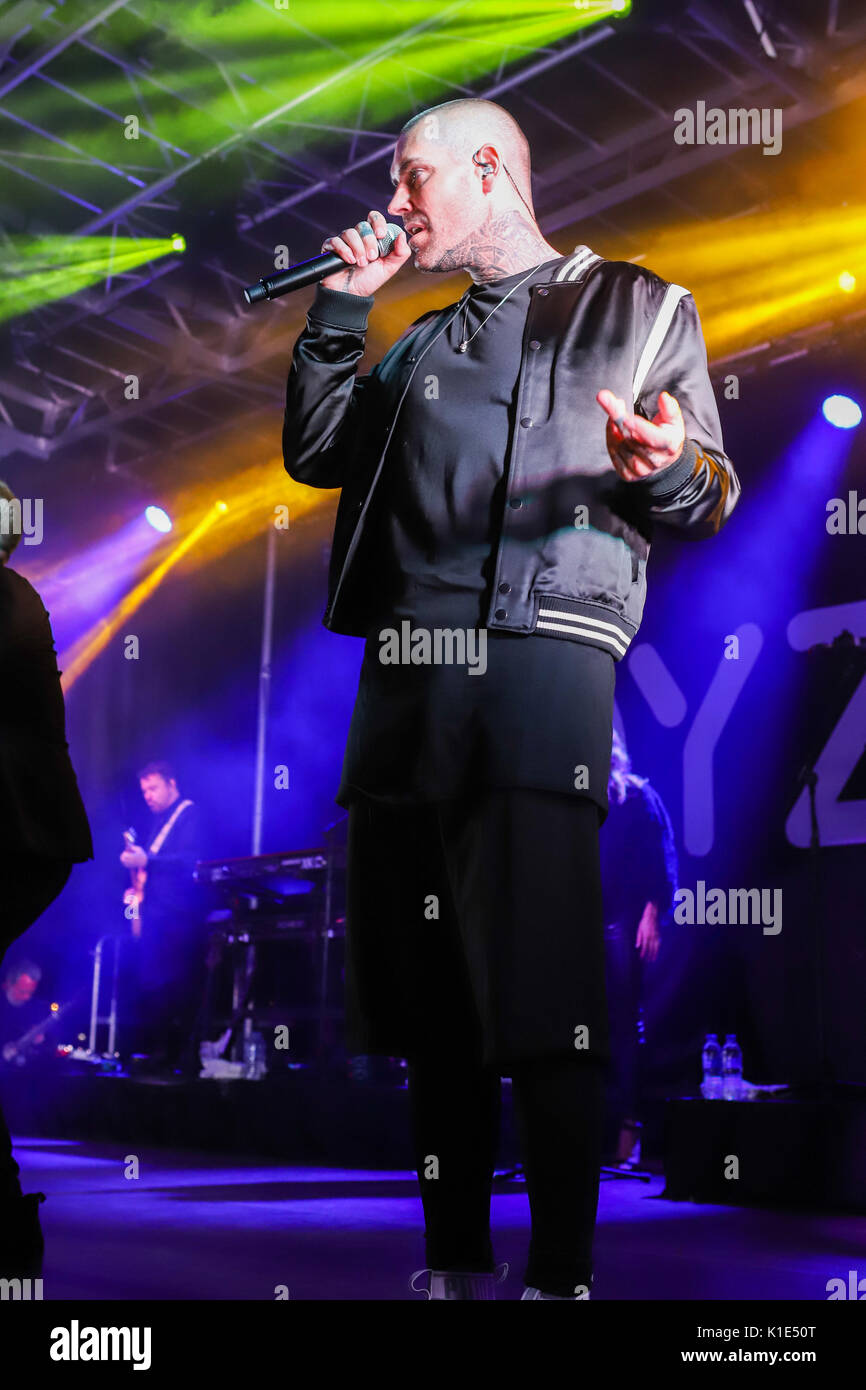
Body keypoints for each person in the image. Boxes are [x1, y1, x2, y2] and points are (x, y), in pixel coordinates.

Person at [282, 97, 740, 1300]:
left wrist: (671, 463)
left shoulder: (636, 308)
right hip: (404, 679)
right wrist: (342, 309)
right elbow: (316, 449)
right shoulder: (418, 343)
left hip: (539, 661)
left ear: (488, 168)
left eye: (412, 175)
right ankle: (448, 1263)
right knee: (429, 1002)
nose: (397, 202)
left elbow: (709, 489)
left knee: (543, 992)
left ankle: (561, 1276)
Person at [0, 479, 94, 1276]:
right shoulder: (16, 594)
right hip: (28, 836)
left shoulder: (8, 600)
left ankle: (7, 1230)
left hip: (17, 836)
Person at [600, 729, 678, 1168]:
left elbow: (661, 856)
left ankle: (631, 1127)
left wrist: (652, 913)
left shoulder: (638, 796)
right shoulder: (580, 798)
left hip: (623, 921)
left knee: (625, 1024)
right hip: (586, 918)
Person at [118, 762, 203, 1073]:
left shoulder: (190, 814)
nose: (148, 796)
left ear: (172, 783)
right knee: (154, 984)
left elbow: (191, 860)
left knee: (177, 985)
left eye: (153, 788)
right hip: (154, 914)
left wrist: (148, 860)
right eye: (143, 791)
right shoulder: (157, 823)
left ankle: (180, 1055)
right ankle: (159, 1052)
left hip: (179, 916)